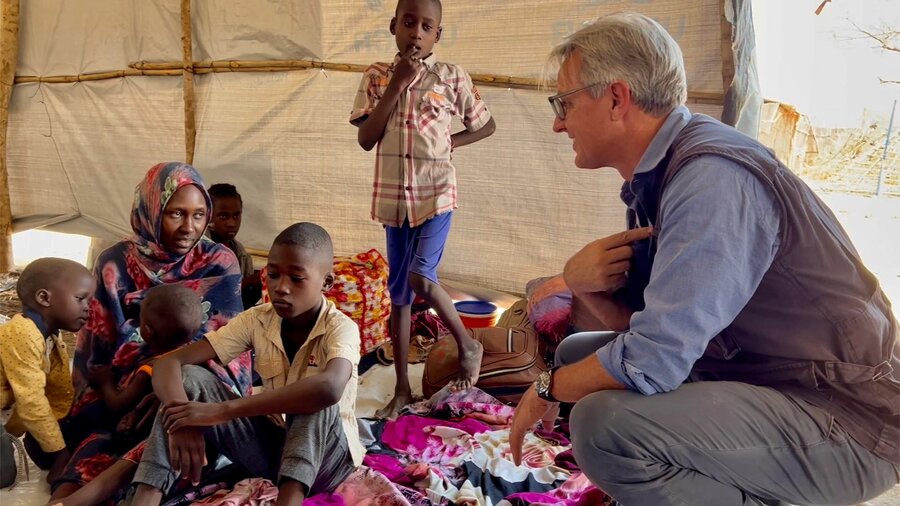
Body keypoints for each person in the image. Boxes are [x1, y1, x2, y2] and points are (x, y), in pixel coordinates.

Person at [509, 12, 899, 506]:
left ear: (615, 97)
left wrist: (545, 388)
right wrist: (580, 283)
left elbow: (653, 359)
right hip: (766, 379)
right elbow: (646, 331)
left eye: (563, 102)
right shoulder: (663, 174)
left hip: (849, 422)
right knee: (576, 355)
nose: (557, 122)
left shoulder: (711, 178)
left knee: (603, 426)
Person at [51, 162, 253, 501]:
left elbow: (229, 349)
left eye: (200, 215)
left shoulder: (220, 262)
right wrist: (130, 388)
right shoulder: (114, 263)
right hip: (122, 397)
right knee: (94, 450)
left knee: (173, 437)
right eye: (176, 213)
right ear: (150, 209)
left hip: (192, 393)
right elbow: (98, 352)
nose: (189, 227)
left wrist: (171, 394)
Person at [129, 222, 364, 506]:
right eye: (274, 275)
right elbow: (169, 362)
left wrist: (221, 411)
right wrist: (183, 421)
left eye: (297, 278)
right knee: (190, 378)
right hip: (276, 452)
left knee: (310, 396)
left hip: (329, 464)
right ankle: (145, 499)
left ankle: (289, 501)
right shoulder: (258, 319)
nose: (281, 288)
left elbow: (329, 389)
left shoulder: (341, 328)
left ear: (326, 283)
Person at [350, 0, 496, 418]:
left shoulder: (451, 77)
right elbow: (366, 138)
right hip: (395, 199)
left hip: (437, 194)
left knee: (420, 278)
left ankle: (469, 344)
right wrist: (397, 84)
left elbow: (484, 124)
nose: (416, 32)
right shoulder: (377, 76)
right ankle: (400, 388)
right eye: (409, 23)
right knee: (398, 295)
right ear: (393, 26)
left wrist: (453, 143)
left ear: (438, 34)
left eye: (426, 26)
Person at [50, 284, 204, 506]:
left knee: (91, 448)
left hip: (132, 437)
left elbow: (118, 404)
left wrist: (105, 382)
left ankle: (59, 499)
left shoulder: (153, 367)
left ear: (147, 331)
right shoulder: (192, 356)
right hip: (157, 447)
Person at [0, 258, 94, 484]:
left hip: (9, 413)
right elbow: (31, 400)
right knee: (3, 476)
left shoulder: (51, 335)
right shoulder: (21, 333)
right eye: (80, 298)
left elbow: (55, 389)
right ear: (44, 298)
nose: (88, 307)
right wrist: (60, 453)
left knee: (51, 445)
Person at [207, 183, 262, 309]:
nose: (231, 223)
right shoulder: (201, 252)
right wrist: (248, 284)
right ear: (208, 215)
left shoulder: (241, 253)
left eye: (236, 216)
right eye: (223, 216)